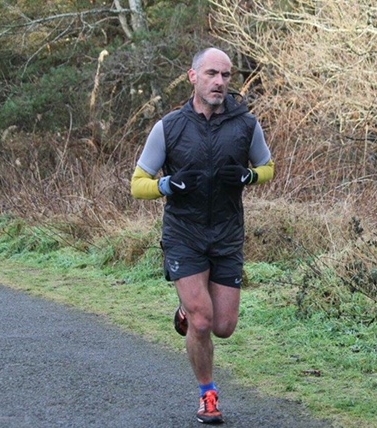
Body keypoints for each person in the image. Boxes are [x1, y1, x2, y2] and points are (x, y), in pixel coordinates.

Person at [130, 47, 275, 424]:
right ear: (193, 76)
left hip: (227, 235)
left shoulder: (246, 125)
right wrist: (166, 185)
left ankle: (186, 309)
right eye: (211, 73)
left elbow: (268, 167)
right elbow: (137, 184)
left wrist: (249, 176)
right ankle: (207, 394)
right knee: (202, 321)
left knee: (223, 327)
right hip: (184, 234)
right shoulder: (169, 127)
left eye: (226, 75)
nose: (219, 82)